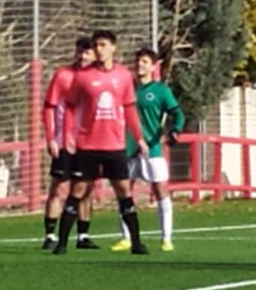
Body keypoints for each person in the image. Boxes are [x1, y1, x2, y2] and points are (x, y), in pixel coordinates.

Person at [52, 28, 147, 256]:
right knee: (78, 189)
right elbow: (71, 106)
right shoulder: (83, 77)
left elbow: (130, 108)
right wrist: (68, 135)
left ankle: (136, 242)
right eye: (96, 46)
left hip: (114, 144)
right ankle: (62, 242)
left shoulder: (123, 76)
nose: (99, 50)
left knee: (123, 189)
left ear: (113, 48)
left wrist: (139, 137)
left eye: (103, 45)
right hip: (88, 144)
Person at [112, 47, 185, 253]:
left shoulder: (161, 91)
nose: (140, 65)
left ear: (154, 67)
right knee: (124, 191)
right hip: (127, 148)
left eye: (145, 62)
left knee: (161, 190)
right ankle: (125, 237)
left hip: (152, 149)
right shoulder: (127, 88)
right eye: (138, 61)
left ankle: (166, 238)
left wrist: (175, 131)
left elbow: (177, 113)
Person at [42, 36, 97, 250]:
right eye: (80, 52)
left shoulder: (97, 78)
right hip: (64, 142)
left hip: (88, 143)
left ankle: (82, 235)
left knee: (86, 188)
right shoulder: (63, 75)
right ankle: (50, 234)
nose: (82, 56)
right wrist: (50, 138)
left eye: (87, 52)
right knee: (58, 187)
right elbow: (49, 107)